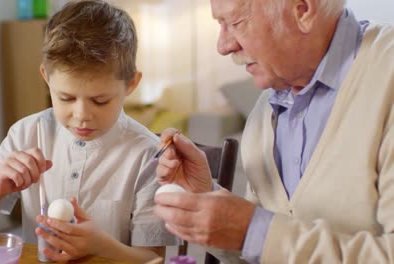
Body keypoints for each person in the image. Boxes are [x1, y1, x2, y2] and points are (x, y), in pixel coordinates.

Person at [154, 0, 394, 263]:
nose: (223, 46)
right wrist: (206, 197)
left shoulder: (387, 76)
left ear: (302, 10)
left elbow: (263, 238)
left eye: (235, 23)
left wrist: (254, 233)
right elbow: (260, 252)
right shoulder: (264, 113)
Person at [0, 0, 177, 262]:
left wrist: (99, 245)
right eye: (66, 98)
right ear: (46, 77)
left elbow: (153, 259)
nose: (81, 115)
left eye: (100, 100)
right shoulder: (27, 134)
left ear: (131, 84)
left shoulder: (149, 156)